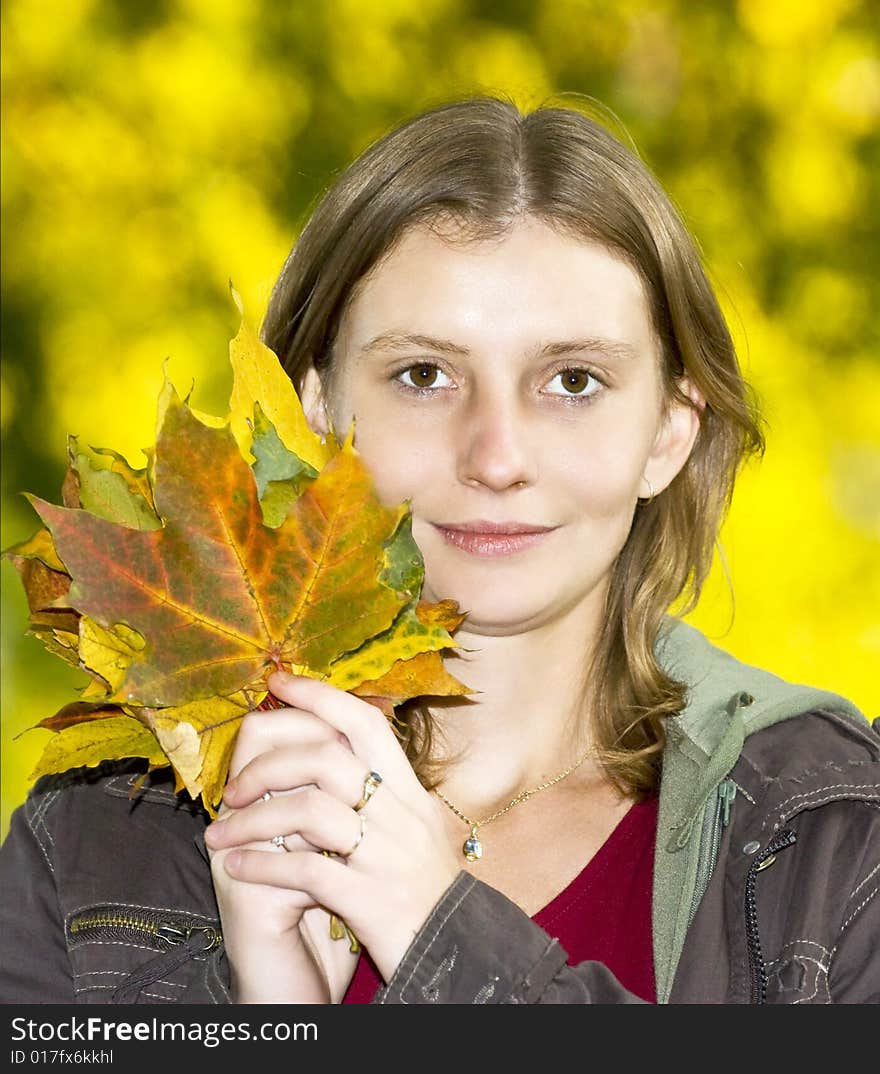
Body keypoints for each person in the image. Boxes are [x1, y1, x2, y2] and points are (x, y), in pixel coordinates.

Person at [1, 94, 878, 1006]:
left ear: (667, 433)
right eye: (423, 375)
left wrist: (443, 938)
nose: (495, 457)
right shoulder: (102, 843)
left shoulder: (830, 839)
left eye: (573, 381)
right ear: (316, 414)